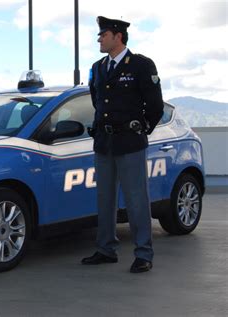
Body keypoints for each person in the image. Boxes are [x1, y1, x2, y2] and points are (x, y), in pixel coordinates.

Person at [82, 16, 164, 273]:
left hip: (130, 142)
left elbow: (155, 106)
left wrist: (140, 129)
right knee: (104, 198)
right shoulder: (97, 67)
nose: (99, 38)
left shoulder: (140, 65)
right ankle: (106, 249)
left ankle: (143, 253)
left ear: (118, 36)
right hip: (104, 142)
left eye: (103, 34)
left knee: (136, 200)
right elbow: (98, 102)